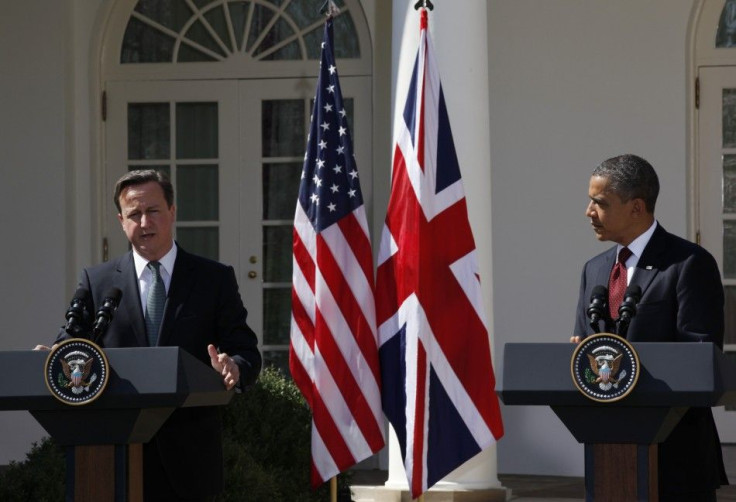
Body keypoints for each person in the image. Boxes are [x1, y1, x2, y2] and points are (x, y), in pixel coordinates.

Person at [39, 169, 262, 500]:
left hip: (190, 461)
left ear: (172, 212)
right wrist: (52, 356)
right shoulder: (98, 281)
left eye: (153, 211)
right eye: (134, 214)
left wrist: (235, 367)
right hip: (112, 457)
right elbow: (71, 344)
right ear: (121, 220)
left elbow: (246, 351)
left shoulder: (213, 279)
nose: (144, 223)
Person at [571, 154, 727, 499]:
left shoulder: (688, 264)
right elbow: (584, 346)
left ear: (636, 207)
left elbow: (699, 356)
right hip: (607, 452)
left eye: (599, 202)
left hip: (675, 453)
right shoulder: (594, 270)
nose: (589, 212)